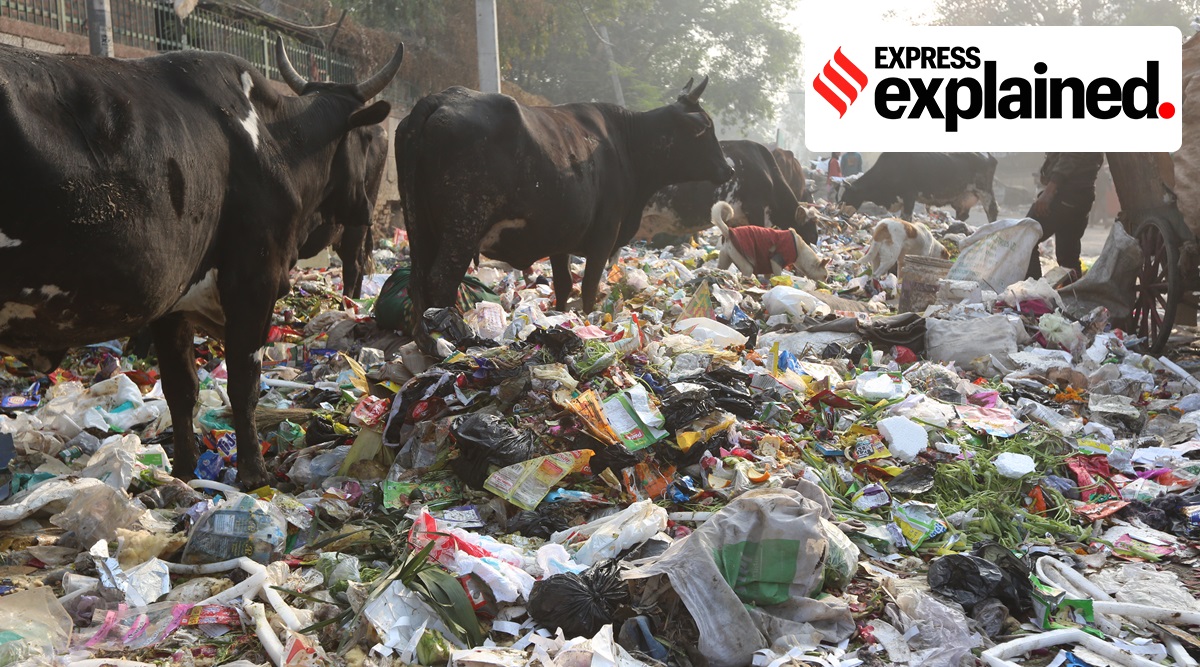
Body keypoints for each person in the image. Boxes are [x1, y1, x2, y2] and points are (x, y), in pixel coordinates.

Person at [1026, 152, 1104, 280]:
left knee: (1027, 237)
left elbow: (1071, 156)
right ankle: (1073, 295)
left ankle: (1034, 292)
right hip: (1082, 196)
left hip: (1063, 194)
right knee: (1068, 257)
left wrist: (1049, 192)